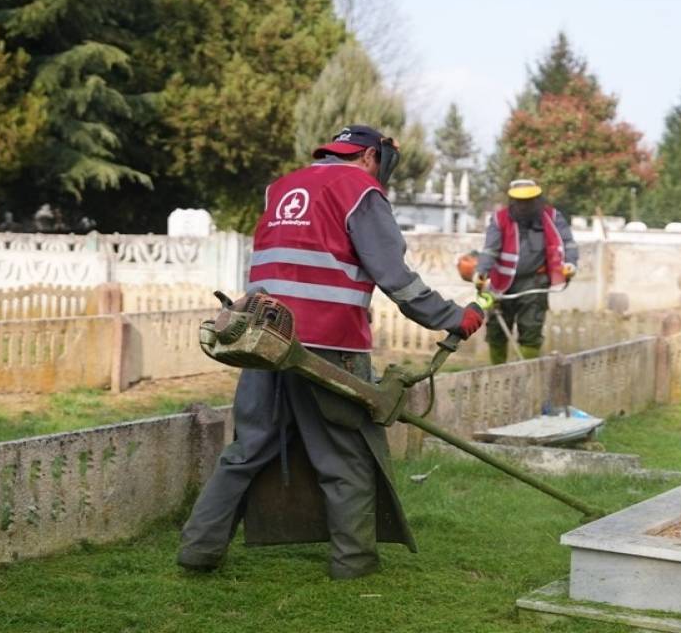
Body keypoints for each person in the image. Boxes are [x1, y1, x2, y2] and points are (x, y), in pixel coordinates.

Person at [177, 125, 486, 579]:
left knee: (247, 449)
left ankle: (198, 551)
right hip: (329, 346)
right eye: (381, 163)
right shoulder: (361, 189)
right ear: (367, 156)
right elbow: (393, 275)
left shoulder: (280, 188)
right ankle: (354, 562)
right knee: (346, 454)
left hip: (262, 337)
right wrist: (452, 317)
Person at [475, 179, 578, 364]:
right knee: (497, 330)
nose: (524, 205)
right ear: (512, 201)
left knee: (531, 330)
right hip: (502, 284)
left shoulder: (552, 217)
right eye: (520, 201)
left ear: (537, 199)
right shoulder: (500, 219)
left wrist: (570, 263)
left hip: (535, 283)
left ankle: (527, 376)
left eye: (529, 200)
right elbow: (490, 249)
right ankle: (498, 374)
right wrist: (481, 271)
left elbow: (568, 243)